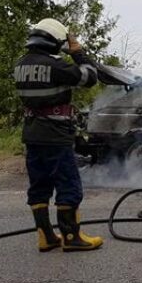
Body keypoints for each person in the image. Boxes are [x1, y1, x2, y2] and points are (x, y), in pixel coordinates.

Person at [14, 18, 102, 252]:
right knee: (68, 184)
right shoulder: (56, 66)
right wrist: (78, 52)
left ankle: (46, 237)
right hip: (56, 135)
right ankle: (72, 237)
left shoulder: (20, 65)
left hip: (32, 134)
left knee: (39, 186)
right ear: (54, 42)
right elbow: (90, 77)